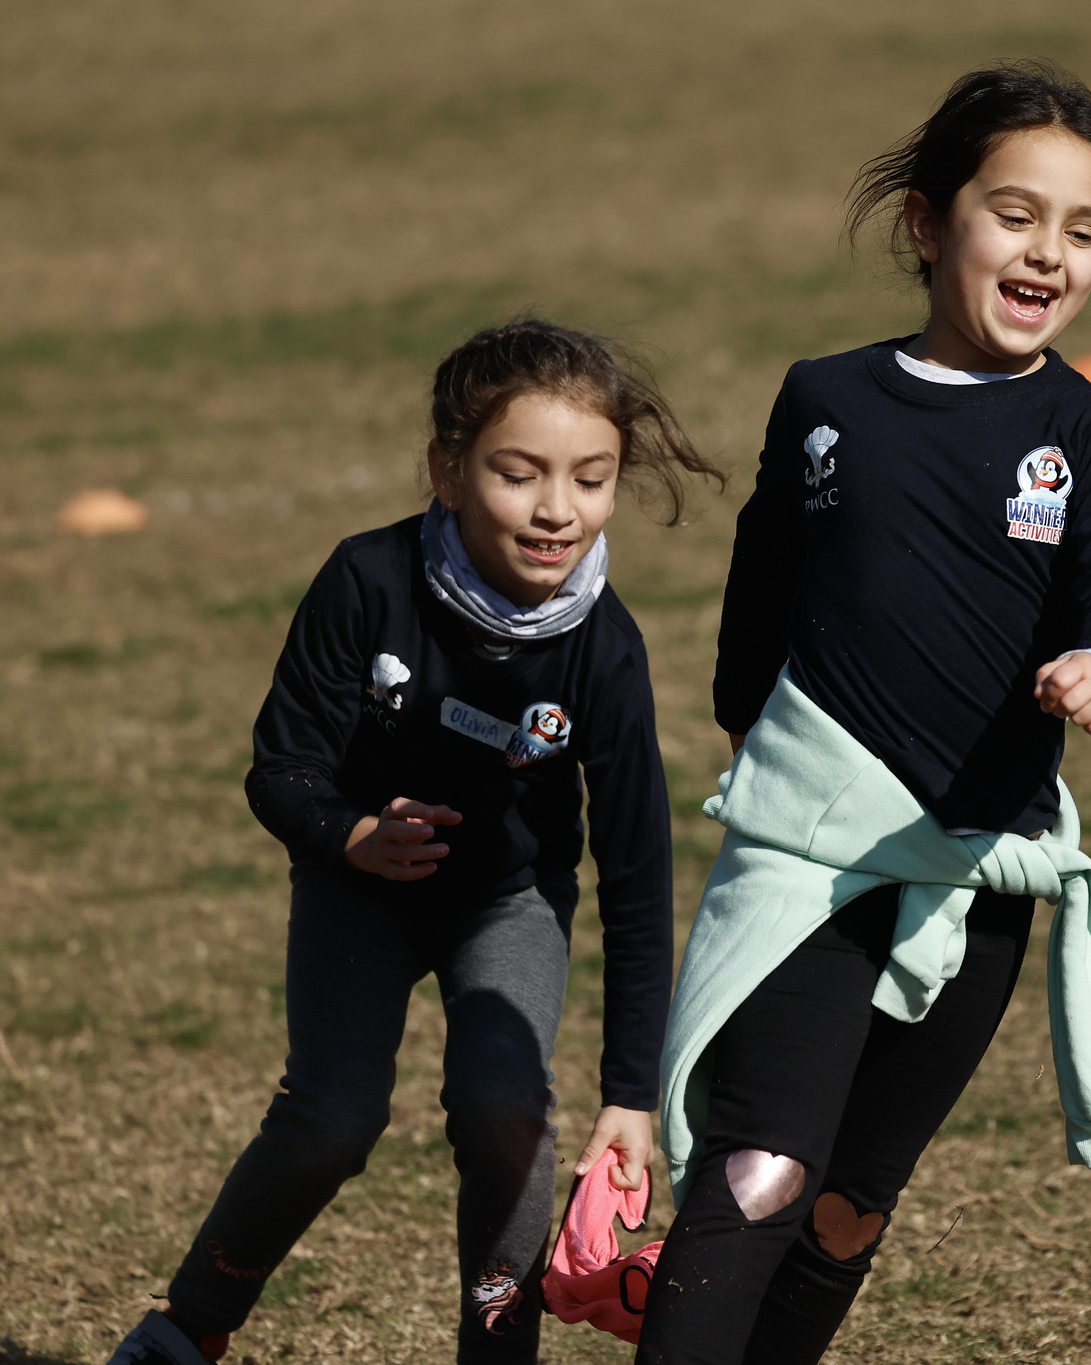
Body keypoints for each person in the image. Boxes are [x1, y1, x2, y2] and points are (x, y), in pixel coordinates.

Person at [637, 60, 1091, 1364]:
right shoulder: (827, 399)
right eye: (1015, 214)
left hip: (981, 870)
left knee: (847, 1206)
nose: (1048, 252)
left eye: (1084, 230)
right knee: (760, 1166)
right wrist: (750, 730)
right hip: (816, 858)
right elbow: (764, 580)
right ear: (929, 223)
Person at [106, 320, 723, 1365]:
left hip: (508, 901)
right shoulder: (368, 581)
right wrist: (352, 835)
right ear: (447, 470)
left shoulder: (604, 649)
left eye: (591, 478)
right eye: (518, 474)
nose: (557, 509)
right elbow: (280, 768)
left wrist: (629, 1094)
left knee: (506, 1113)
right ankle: (188, 1327)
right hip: (359, 892)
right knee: (332, 1118)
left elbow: (635, 874)